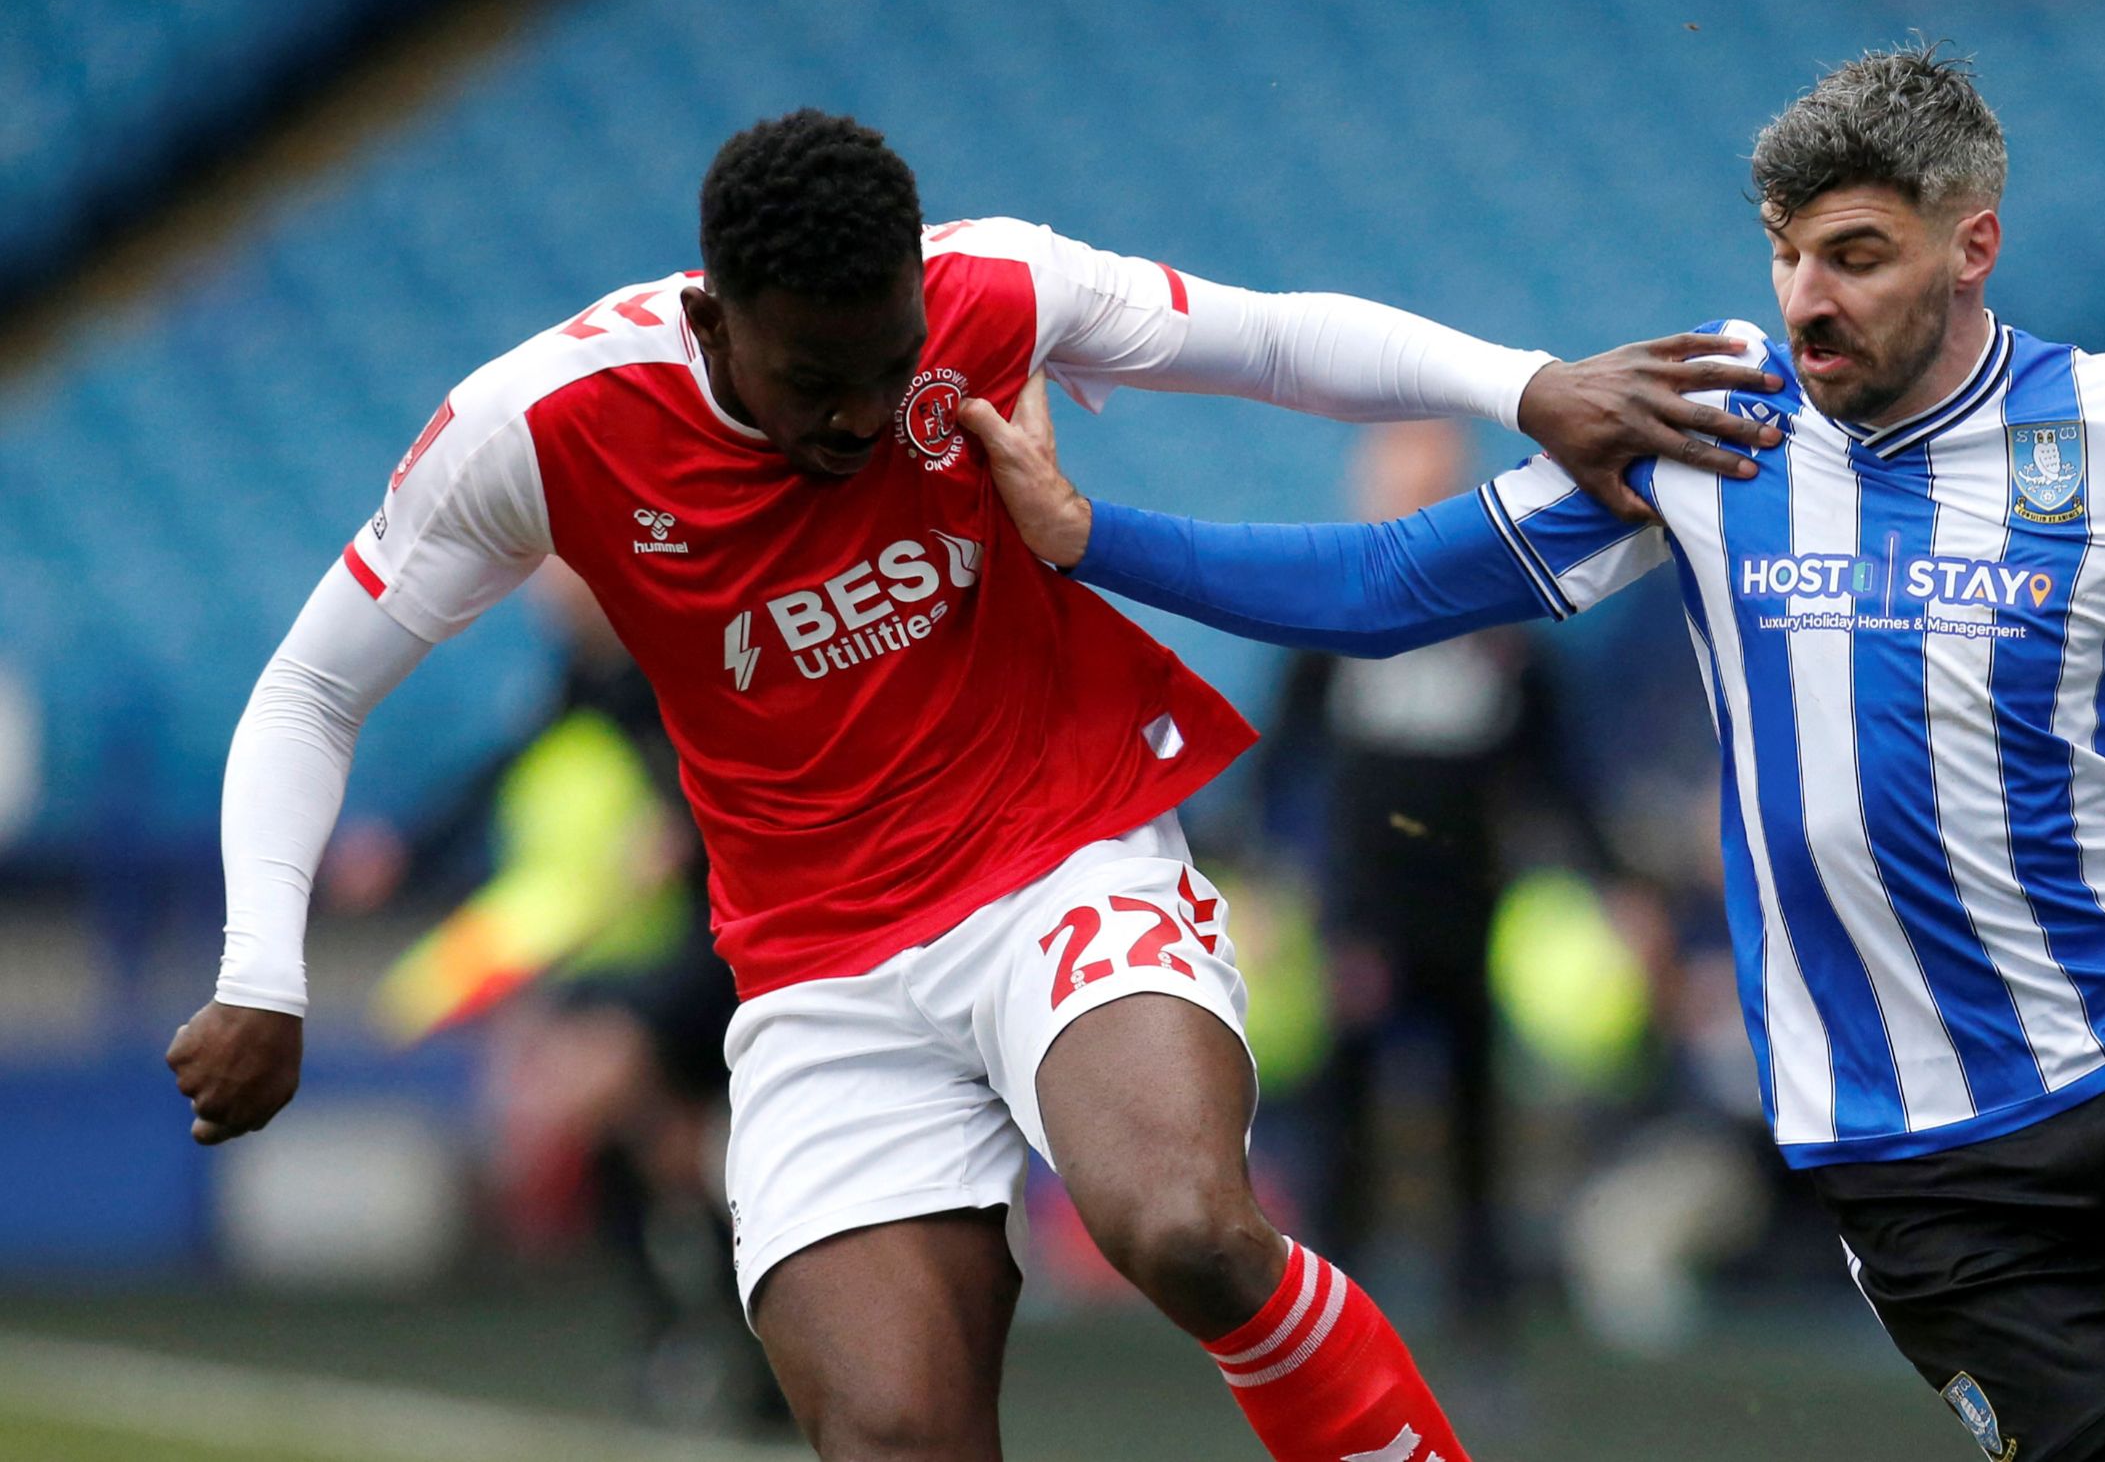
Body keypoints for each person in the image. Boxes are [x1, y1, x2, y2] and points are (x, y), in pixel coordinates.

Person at [952, 47, 2105, 1462]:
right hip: (1928, 1167)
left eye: (1854, 256)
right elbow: (1388, 586)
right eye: (1786, 254)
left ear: (1975, 244)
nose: (1807, 298)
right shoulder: (1710, 419)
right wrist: (1094, 541)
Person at [163, 108, 1783, 1462]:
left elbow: (1274, 338)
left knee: (1182, 1223)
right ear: (714, 319)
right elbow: (312, 686)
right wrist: (263, 971)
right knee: (889, 1434)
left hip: (1059, 857)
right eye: (822, 386)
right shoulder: (541, 428)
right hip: (815, 966)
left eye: (894, 365)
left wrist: (1523, 387)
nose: (874, 417)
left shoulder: (994, 292)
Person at [1261, 420, 1601, 1348]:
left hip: (1471, 912)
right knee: (1346, 1130)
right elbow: (1278, 772)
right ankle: (1326, 1324)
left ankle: (1481, 1325)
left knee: (1474, 1126)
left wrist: (1618, 884)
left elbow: (1557, 775)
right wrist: (1256, 882)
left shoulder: (1504, 638)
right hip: (1361, 920)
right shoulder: (1330, 625)